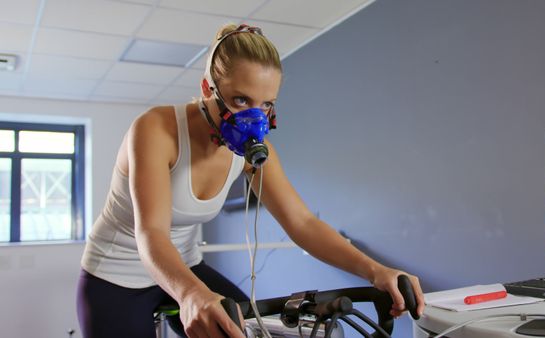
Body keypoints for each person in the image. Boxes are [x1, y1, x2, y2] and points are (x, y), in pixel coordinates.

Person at [76, 23, 425, 338]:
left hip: (186, 266)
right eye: (241, 100)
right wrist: (192, 295)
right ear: (207, 88)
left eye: (266, 105)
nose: (253, 119)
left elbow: (301, 222)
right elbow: (150, 232)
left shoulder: (253, 151)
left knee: (249, 333)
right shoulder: (155, 130)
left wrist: (375, 270)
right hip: (116, 276)